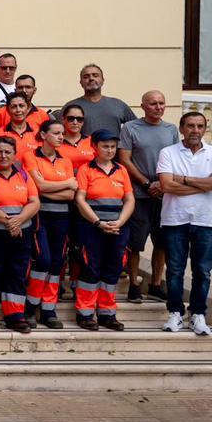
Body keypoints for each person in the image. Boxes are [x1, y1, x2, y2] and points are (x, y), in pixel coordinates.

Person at [156, 111, 212, 336]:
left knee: (203, 271)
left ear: (205, 129)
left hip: (206, 221)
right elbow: (167, 186)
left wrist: (184, 179)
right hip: (175, 219)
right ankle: (175, 313)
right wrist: (207, 183)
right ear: (181, 128)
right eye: (190, 126)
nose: (195, 130)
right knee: (175, 270)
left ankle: (198, 314)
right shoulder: (168, 152)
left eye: (199, 126)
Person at [0, 136, 41, 334]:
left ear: (14, 154)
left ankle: (15, 316)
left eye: (8, 152)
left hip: (21, 233)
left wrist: (18, 220)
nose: (3, 156)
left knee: (17, 273)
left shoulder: (24, 175)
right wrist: (8, 221)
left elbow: (34, 202)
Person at [119, 89, 179, 301]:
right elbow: (125, 160)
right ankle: (134, 284)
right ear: (143, 106)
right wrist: (146, 183)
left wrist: (163, 185)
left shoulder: (171, 129)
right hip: (139, 195)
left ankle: (155, 283)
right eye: (153, 103)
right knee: (135, 243)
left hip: (165, 195)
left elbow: (176, 160)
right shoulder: (130, 128)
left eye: (161, 103)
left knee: (161, 242)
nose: (158, 107)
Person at [73, 129, 134, 331]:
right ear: (94, 147)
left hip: (117, 228)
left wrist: (119, 222)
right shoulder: (85, 170)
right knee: (91, 268)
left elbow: (129, 199)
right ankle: (85, 313)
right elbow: (80, 199)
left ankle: (107, 313)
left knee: (113, 269)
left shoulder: (121, 170)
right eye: (105, 146)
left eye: (113, 147)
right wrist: (98, 222)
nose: (109, 150)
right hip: (92, 227)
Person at [24, 119, 77, 328]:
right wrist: (65, 185)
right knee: (43, 260)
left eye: (62, 133)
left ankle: (49, 310)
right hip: (41, 216)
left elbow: (72, 194)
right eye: (56, 133)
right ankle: (31, 305)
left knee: (57, 263)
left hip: (62, 217)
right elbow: (39, 187)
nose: (61, 137)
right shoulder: (31, 156)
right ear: (43, 135)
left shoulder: (65, 160)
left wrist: (52, 188)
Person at [62, 63, 138, 138]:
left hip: (113, 150)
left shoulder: (118, 104)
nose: (91, 78)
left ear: (102, 80)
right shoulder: (70, 106)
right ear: (81, 82)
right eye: (86, 77)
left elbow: (137, 129)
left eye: (95, 75)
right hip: (80, 150)